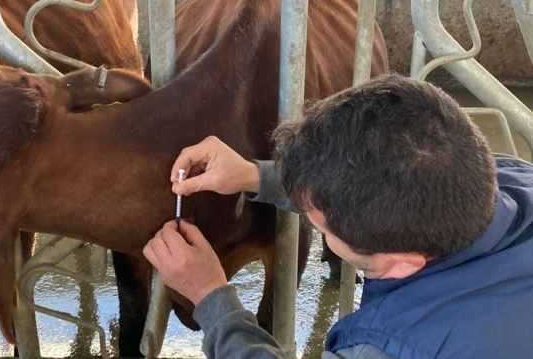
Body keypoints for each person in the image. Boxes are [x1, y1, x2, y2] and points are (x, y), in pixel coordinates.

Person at [143, 74, 533, 359]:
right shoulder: (504, 175)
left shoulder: (392, 349)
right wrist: (254, 175)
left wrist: (211, 297)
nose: (313, 222)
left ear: (401, 264)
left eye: (321, 226)